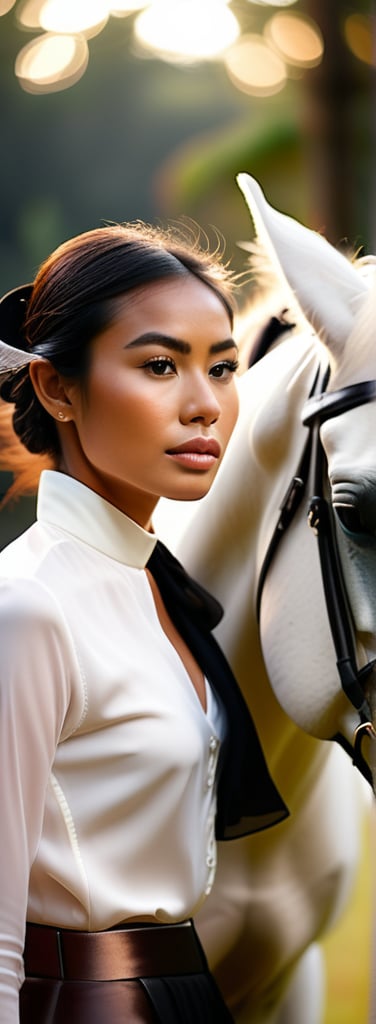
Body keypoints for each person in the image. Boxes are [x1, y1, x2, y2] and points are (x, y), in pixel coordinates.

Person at [0, 221, 288, 1024]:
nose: (206, 406)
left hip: (191, 994)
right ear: (59, 389)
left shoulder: (158, 589)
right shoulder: (29, 606)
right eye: (160, 365)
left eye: (223, 368)